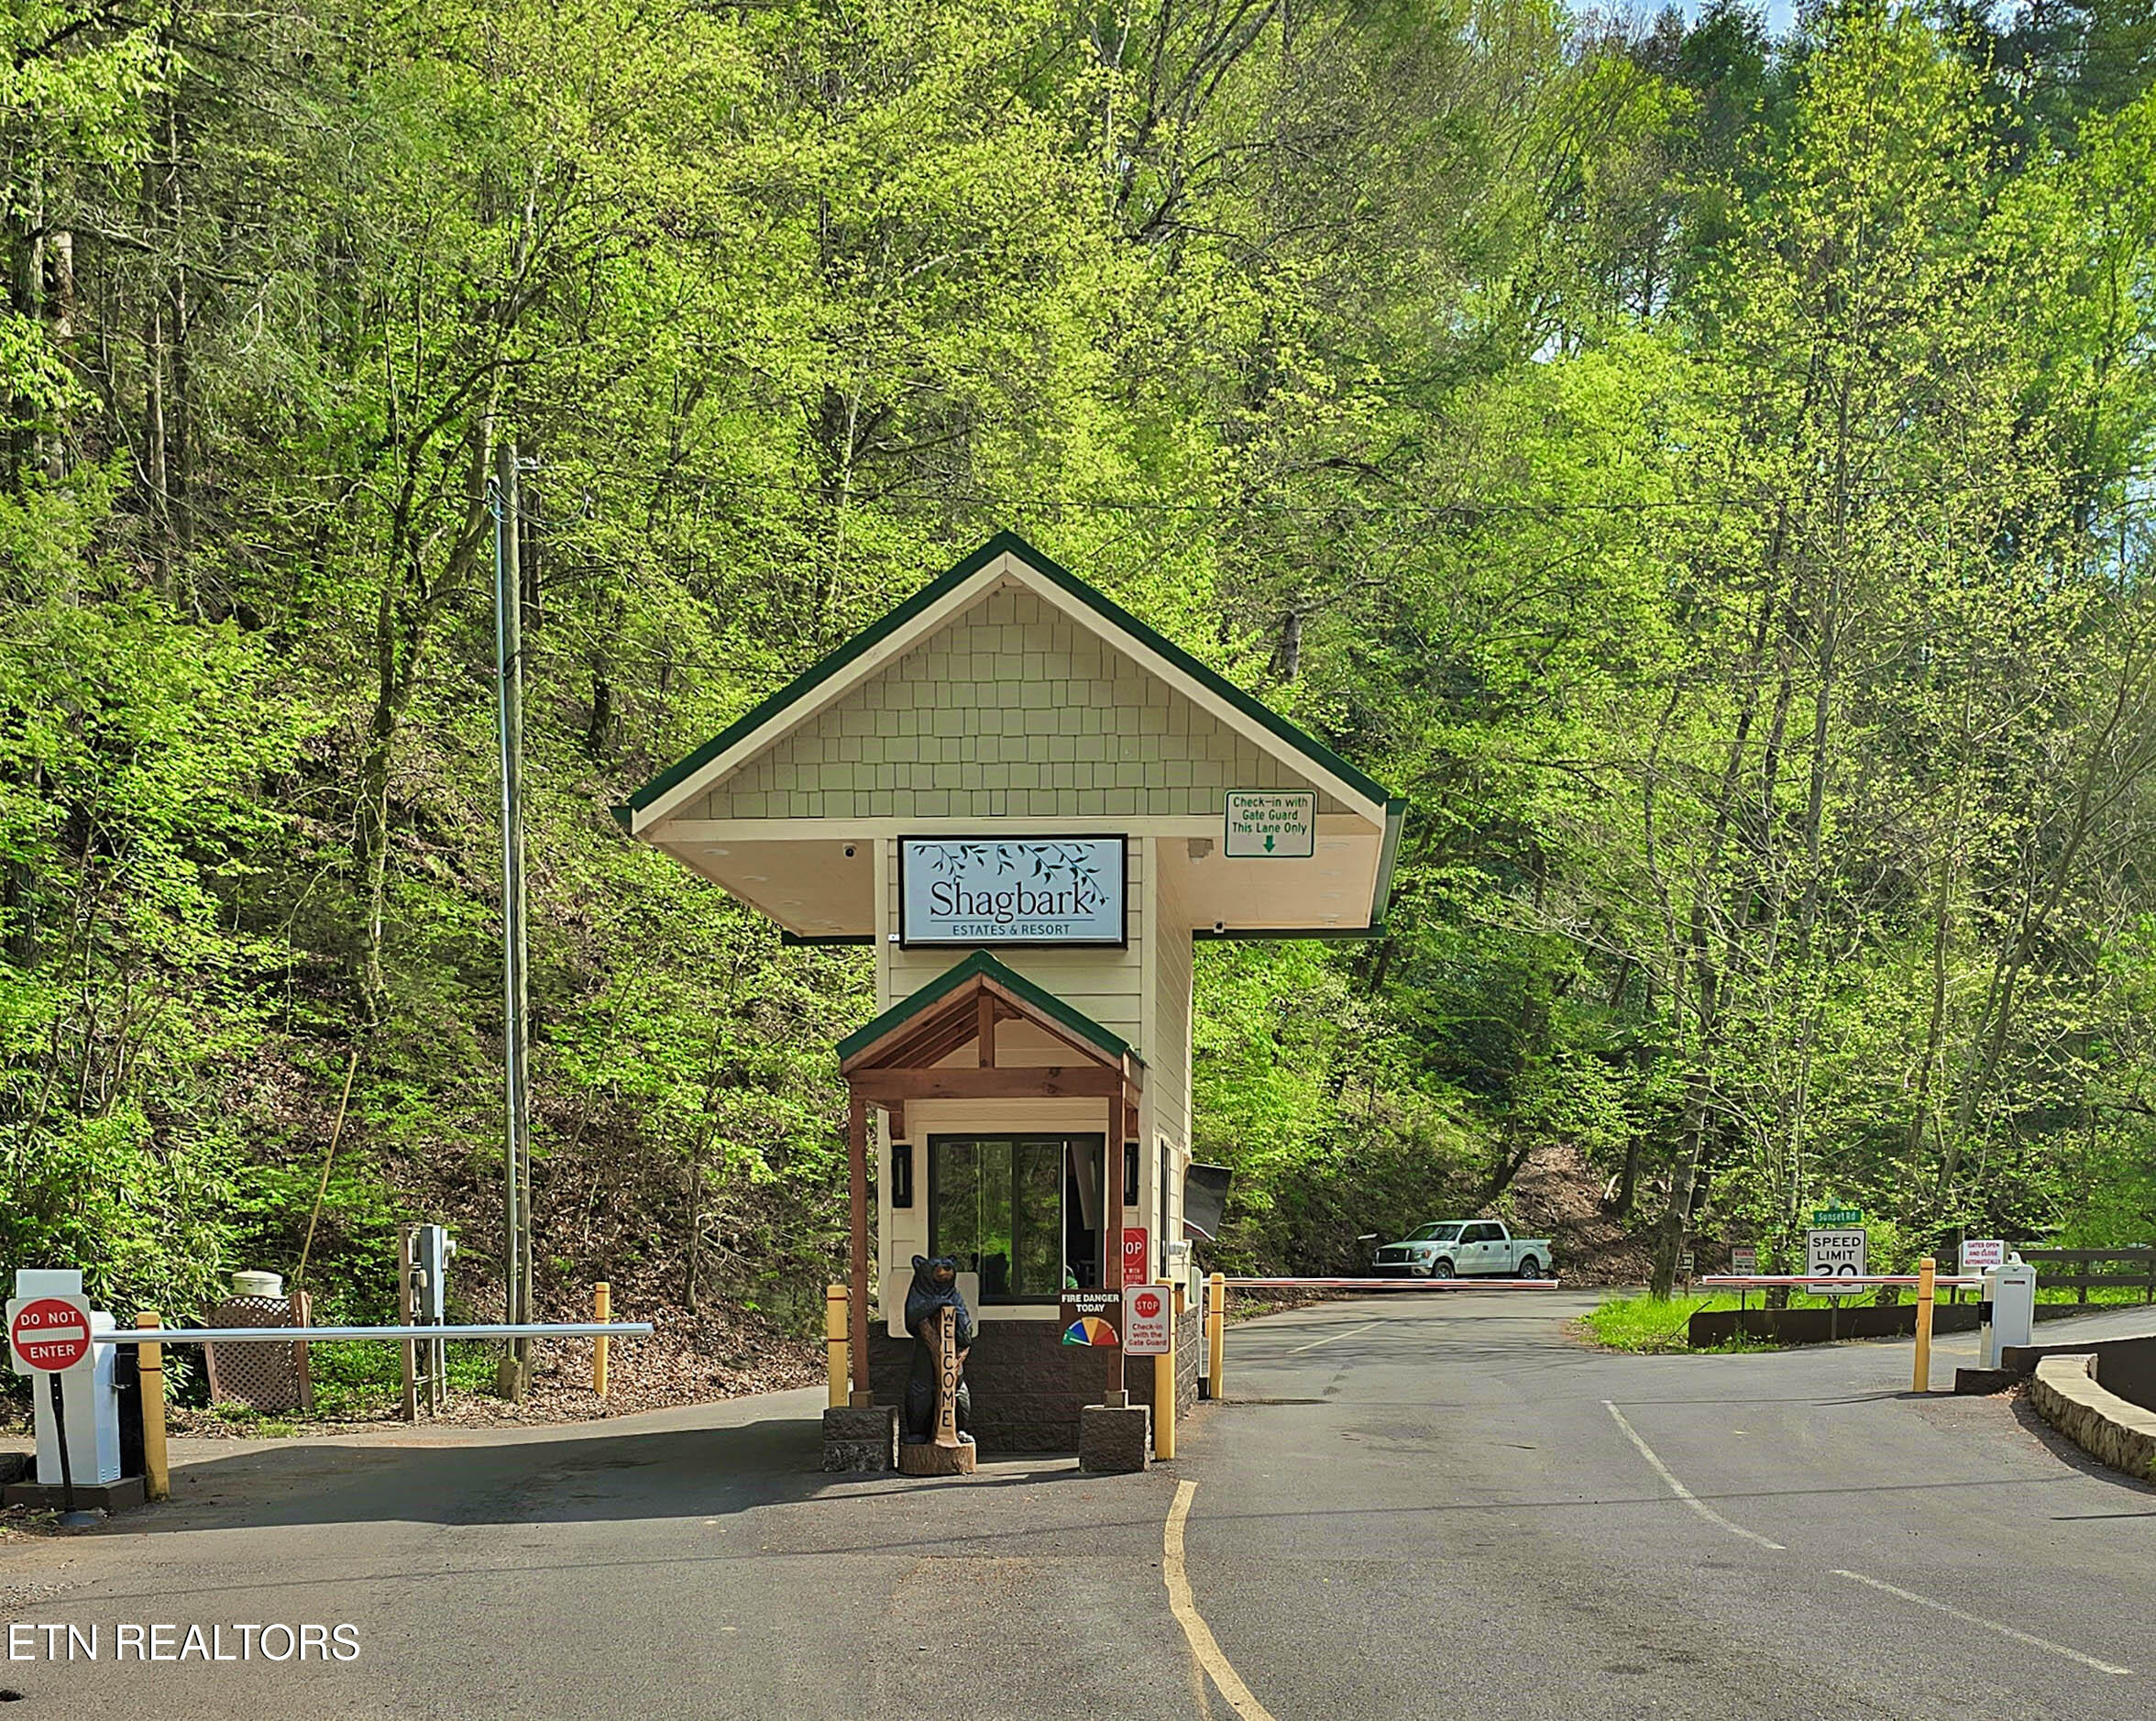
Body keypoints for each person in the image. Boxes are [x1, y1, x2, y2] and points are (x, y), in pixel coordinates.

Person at [902, 1255, 976, 1446]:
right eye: (938, 1268)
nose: (945, 1271)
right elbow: (911, 1321)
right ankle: (918, 1432)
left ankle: (959, 1428)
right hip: (925, 1354)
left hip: (953, 1357)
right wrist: (938, 1304)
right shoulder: (918, 1292)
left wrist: (955, 1314)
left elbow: (966, 1335)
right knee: (920, 1390)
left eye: (948, 1267)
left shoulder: (954, 1295)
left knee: (958, 1390)